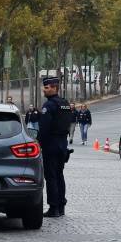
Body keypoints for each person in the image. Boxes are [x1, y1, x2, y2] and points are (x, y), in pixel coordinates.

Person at [34, 76, 73, 218]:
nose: (44, 90)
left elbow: (44, 129)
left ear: (54, 88)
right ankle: (61, 206)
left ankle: (53, 208)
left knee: (50, 177)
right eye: (44, 87)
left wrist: (38, 143)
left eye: (47, 87)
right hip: (62, 144)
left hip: (51, 145)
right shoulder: (65, 104)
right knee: (59, 175)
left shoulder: (48, 106)